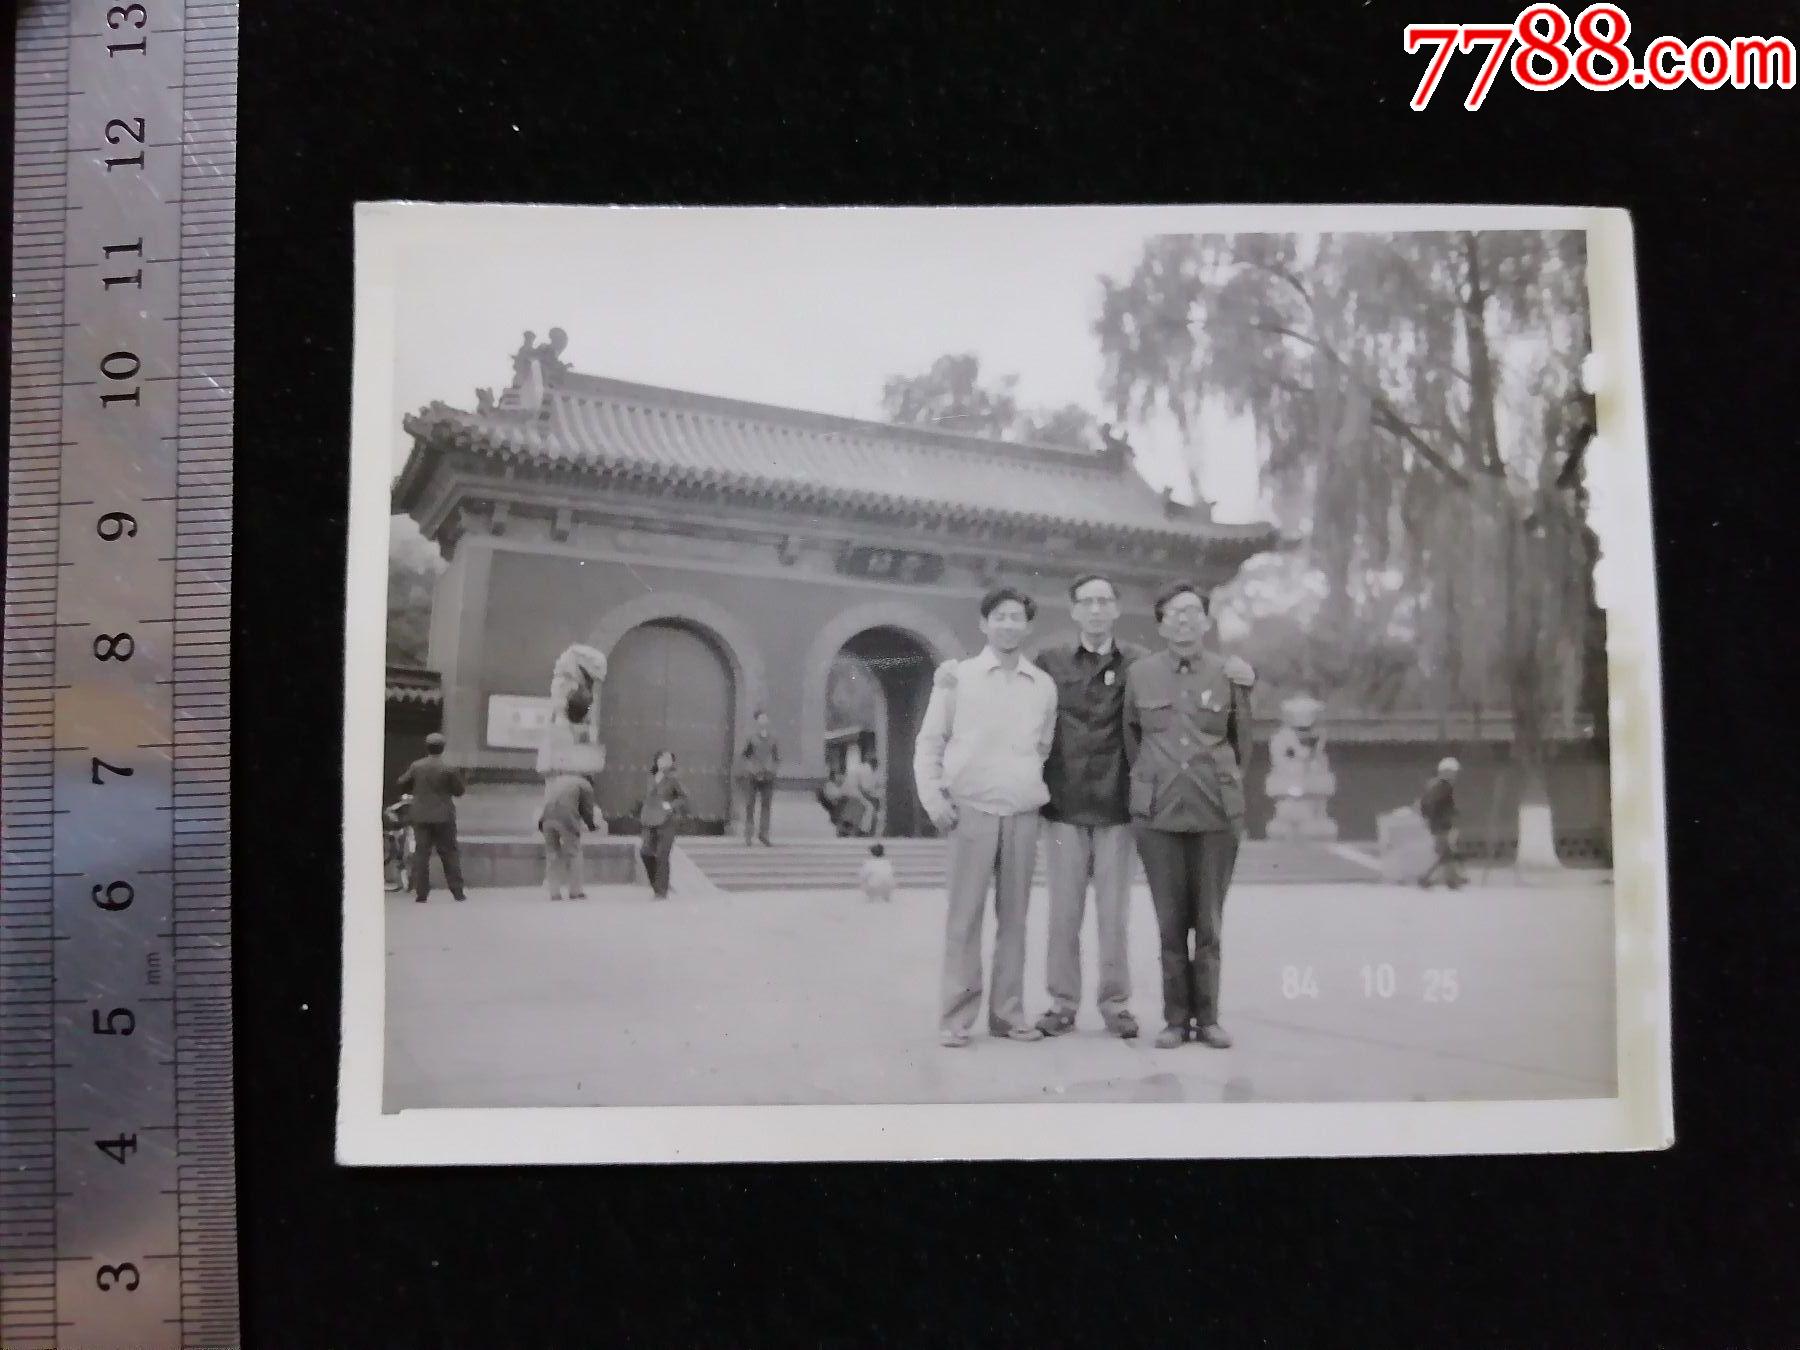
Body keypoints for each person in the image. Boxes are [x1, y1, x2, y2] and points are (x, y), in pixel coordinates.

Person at [913, 585, 1058, 1048]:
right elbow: (930, 742)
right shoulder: (957, 678)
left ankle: (1009, 1015)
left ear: (1028, 625)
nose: (1009, 624)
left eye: (1017, 617)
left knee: (1015, 919)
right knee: (965, 918)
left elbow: (1044, 746)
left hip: (1020, 812)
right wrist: (934, 800)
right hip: (969, 812)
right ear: (983, 624)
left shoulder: (1043, 686)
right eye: (1000, 616)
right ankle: (955, 1018)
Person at [1124, 581, 1256, 1050]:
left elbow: (1242, 745)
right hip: (1159, 813)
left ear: (1206, 621)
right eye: (1174, 613)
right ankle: (1175, 1020)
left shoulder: (1229, 675)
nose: (1184, 620)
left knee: (1210, 922)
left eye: (1193, 612)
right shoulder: (1140, 675)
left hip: (1215, 812)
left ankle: (1210, 1018)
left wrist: (1219, 785)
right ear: (1161, 624)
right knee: (1169, 922)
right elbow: (1132, 739)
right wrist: (1155, 783)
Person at [1031, 573, 1148, 1041]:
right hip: (1064, 805)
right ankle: (1061, 1004)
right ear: (1074, 610)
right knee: (1063, 914)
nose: (1097, 610)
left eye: (1105, 601)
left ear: (1117, 609)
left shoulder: (1140, 664)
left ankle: (1116, 1005)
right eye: (1088, 602)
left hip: (1118, 807)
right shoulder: (1049, 662)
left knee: (1114, 916)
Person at [397, 732, 468, 903]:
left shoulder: (417, 766)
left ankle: (421, 893)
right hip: (444, 816)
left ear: (426, 747)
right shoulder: (449, 767)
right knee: (450, 853)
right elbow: (459, 791)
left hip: (421, 816)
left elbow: (402, 783)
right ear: (443, 748)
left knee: (421, 854)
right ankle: (457, 892)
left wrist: (415, 790)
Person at [636, 749, 688, 900]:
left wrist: (671, 806)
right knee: (645, 852)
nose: (664, 761)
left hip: (667, 821)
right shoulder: (650, 776)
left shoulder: (674, 778)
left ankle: (661, 891)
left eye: (668, 759)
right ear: (656, 760)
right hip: (649, 819)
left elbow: (684, 798)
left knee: (662, 855)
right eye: (662, 758)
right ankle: (655, 884)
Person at [538, 772, 598, 901]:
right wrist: (591, 825)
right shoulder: (586, 786)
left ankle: (554, 893)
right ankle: (575, 891)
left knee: (552, 855)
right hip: (566, 819)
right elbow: (587, 809)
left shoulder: (560, 782)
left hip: (546, 818)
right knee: (574, 853)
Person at [1418, 757, 1467, 889]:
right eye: (1453, 772)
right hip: (1440, 825)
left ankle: (1452, 879)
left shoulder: (1440, 786)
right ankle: (1426, 878)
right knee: (1445, 853)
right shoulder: (1443, 787)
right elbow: (1434, 805)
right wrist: (1447, 814)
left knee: (1446, 852)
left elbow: (1436, 805)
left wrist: (1452, 811)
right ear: (1446, 772)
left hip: (1439, 824)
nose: (1455, 775)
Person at [740, 710, 779, 846]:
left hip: (768, 776)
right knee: (750, 805)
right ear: (756, 722)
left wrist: (772, 770)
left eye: (765, 719)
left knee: (766, 806)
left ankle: (764, 834)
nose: (763, 722)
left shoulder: (773, 738)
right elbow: (745, 756)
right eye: (760, 719)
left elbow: (777, 757)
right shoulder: (751, 738)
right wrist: (752, 769)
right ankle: (748, 834)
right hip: (753, 776)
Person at [849, 751, 884, 837]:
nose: (875, 764)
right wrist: (873, 797)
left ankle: (870, 830)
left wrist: (876, 796)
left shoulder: (876, 771)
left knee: (874, 810)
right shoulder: (864, 770)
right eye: (873, 761)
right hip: (857, 792)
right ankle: (863, 830)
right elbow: (864, 788)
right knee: (869, 808)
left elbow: (879, 784)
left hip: (867, 793)